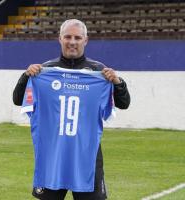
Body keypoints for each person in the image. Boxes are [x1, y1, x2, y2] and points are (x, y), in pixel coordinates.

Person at [13, 19, 130, 200]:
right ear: (60, 39)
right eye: (68, 37)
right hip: (52, 157)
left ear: (85, 40)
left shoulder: (98, 72)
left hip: (87, 158)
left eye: (77, 37)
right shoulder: (45, 71)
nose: (72, 42)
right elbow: (17, 99)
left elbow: (124, 103)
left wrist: (117, 82)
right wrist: (26, 77)